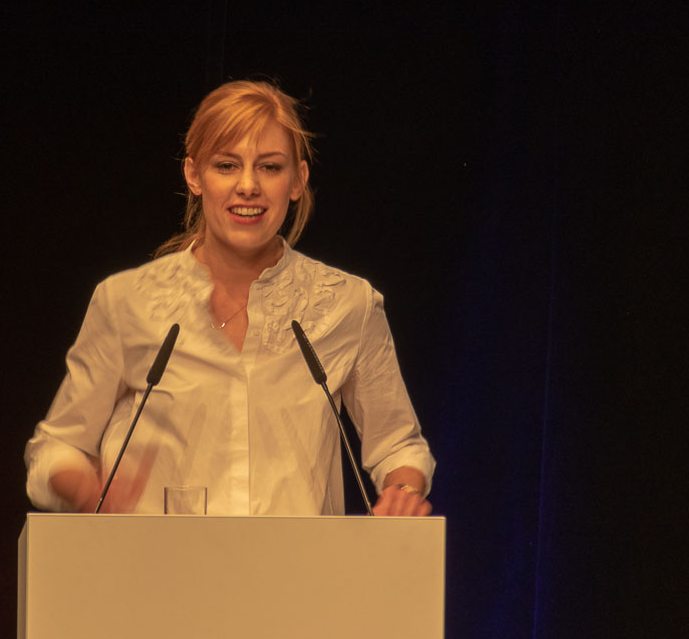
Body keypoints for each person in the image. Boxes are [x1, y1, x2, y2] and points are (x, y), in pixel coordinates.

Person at [25, 80, 434, 516]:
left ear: (298, 180)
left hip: (297, 561)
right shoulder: (126, 303)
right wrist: (84, 487)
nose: (248, 185)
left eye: (270, 167)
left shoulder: (348, 305)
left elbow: (398, 446)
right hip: (155, 558)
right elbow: (57, 447)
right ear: (193, 175)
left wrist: (402, 492)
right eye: (226, 165)